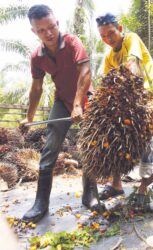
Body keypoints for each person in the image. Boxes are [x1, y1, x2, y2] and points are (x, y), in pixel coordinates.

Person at [19, 4, 104, 223]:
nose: (48, 33)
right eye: (41, 30)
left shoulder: (72, 42)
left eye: (52, 27)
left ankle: (90, 193)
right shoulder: (37, 57)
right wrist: (29, 117)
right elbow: (36, 88)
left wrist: (78, 105)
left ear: (57, 23)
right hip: (61, 101)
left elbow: (85, 72)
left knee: (89, 147)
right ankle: (41, 203)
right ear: (34, 31)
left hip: (86, 99)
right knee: (50, 149)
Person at [96, 13, 153, 206]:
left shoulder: (131, 39)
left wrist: (124, 87)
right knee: (116, 137)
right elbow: (107, 84)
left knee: (149, 140)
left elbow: (132, 64)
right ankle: (116, 185)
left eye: (111, 33)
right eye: (104, 36)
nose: (108, 39)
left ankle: (144, 187)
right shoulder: (109, 57)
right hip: (126, 102)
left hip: (148, 97)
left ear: (120, 29)